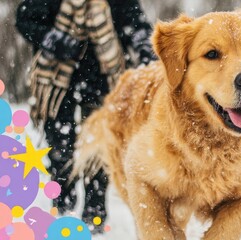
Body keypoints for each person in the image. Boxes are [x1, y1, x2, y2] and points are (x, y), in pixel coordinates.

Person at [15, 0, 155, 232]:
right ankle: (61, 211)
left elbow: (135, 24)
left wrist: (146, 50)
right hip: (58, 84)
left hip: (104, 82)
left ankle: (95, 219)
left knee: (100, 151)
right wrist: (55, 40)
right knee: (60, 150)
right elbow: (25, 18)